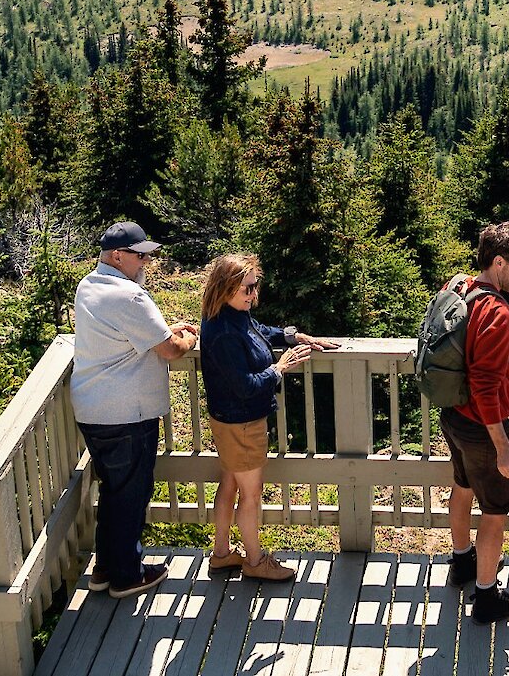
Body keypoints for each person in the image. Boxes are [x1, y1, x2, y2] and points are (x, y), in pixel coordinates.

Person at [71, 221, 198, 599]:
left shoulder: (89, 285)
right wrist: (187, 337)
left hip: (94, 408)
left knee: (115, 490)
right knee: (132, 494)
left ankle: (105, 568)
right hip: (127, 412)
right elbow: (171, 350)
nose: (146, 261)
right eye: (139, 254)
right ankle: (127, 576)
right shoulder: (129, 296)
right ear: (117, 256)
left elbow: (130, 333)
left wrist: (163, 329)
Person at [198, 252, 338, 582]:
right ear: (227, 287)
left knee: (230, 484)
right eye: (247, 288)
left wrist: (293, 335)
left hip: (229, 420)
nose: (253, 294)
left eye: (255, 286)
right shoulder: (223, 333)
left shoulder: (229, 315)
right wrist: (279, 367)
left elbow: (259, 331)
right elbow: (245, 386)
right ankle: (256, 561)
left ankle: (221, 555)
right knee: (251, 496)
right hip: (242, 423)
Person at [442, 221, 509, 625]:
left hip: (453, 415)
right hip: (483, 426)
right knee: (495, 511)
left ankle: (461, 563)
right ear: (499, 262)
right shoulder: (498, 310)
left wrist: (502, 362)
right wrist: (503, 446)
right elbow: (483, 386)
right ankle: (486, 598)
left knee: (462, 487)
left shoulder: (459, 285)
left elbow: (468, 351)